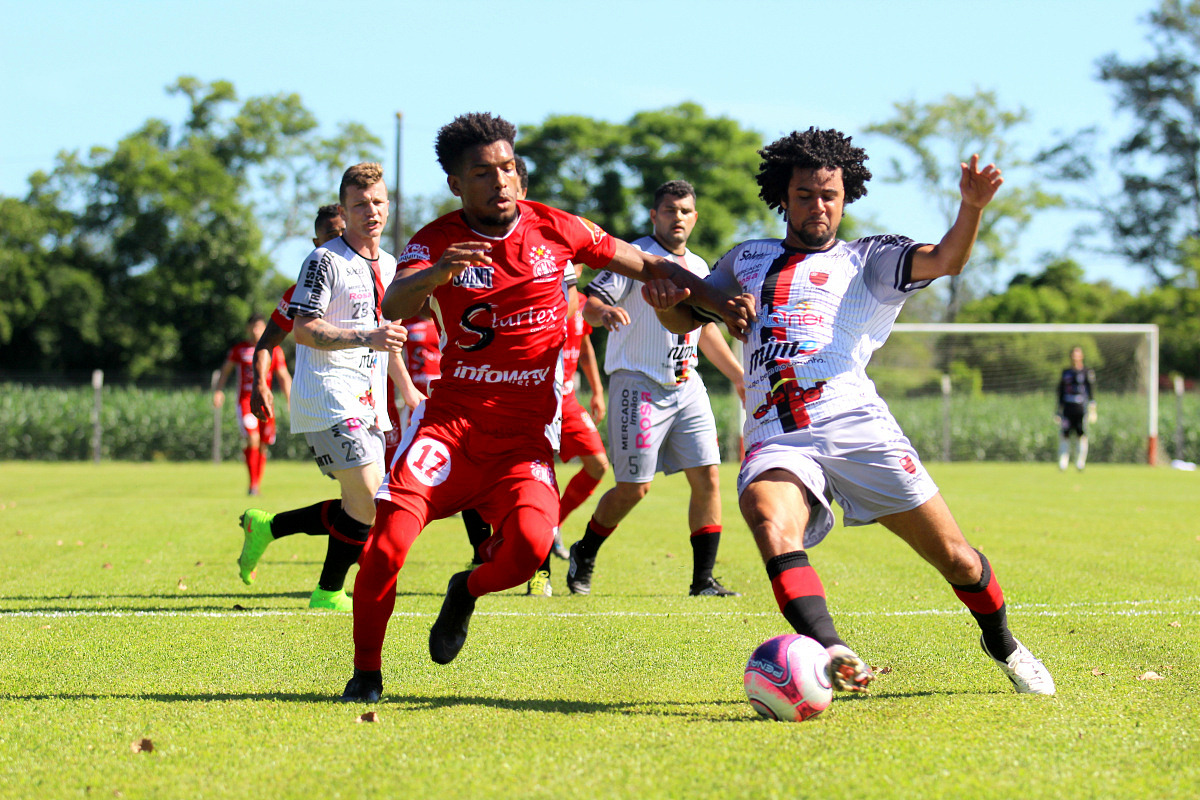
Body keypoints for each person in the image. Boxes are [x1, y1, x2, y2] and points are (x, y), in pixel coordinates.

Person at [340, 113, 751, 702]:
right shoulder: (435, 240)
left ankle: (465, 590)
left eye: (507, 167)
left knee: (531, 550)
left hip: (524, 440)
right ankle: (366, 675)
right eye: (482, 172)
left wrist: (719, 301)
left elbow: (651, 265)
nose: (500, 181)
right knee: (386, 547)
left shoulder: (559, 228)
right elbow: (396, 303)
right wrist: (437, 274)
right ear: (456, 183)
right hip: (451, 429)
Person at [648, 127, 1055, 695]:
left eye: (829, 195)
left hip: (857, 426)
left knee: (959, 560)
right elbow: (689, 315)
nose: (818, 206)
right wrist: (665, 305)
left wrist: (971, 208)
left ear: (845, 198)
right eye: (804, 195)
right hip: (776, 435)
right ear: (783, 197)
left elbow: (947, 259)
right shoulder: (745, 259)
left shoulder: (869, 259)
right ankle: (831, 648)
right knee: (767, 518)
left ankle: (1003, 643)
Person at [238, 164, 423, 611]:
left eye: (377, 202)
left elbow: (389, 341)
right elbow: (303, 329)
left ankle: (270, 529)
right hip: (328, 395)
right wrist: (366, 336)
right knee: (371, 498)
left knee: (363, 503)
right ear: (345, 209)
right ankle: (327, 592)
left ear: (388, 206)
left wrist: (409, 392)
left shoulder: (393, 266)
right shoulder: (324, 260)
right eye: (360, 204)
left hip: (369, 401)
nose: (371, 211)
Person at [567, 180, 745, 598]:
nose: (677, 217)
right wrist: (604, 312)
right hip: (638, 383)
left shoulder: (699, 266)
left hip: (686, 384)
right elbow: (588, 302)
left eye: (684, 211)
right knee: (634, 488)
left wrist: (738, 375)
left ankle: (703, 581)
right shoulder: (634, 257)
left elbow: (703, 331)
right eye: (669, 210)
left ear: (694, 217)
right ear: (654, 215)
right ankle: (585, 550)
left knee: (708, 477)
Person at [213, 313, 290, 495]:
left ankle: (257, 484)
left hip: (266, 403)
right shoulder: (240, 350)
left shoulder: (275, 350)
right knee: (252, 438)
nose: (256, 331)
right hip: (246, 402)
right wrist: (218, 390)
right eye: (253, 327)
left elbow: (283, 376)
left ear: (265, 328)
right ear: (248, 329)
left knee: (263, 444)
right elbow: (225, 370)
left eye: (260, 327)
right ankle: (253, 485)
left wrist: (290, 399)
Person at [1056, 346, 1096, 471]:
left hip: (1081, 407)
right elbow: (1060, 391)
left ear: (1082, 356)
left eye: (1077, 355)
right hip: (1068, 407)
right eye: (1073, 355)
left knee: (1081, 434)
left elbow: (1091, 391)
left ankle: (1080, 462)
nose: (1075, 357)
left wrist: (1092, 409)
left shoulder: (1087, 372)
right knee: (1065, 434)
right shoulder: (1066, 372)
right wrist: (1058, 410)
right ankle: (1063, 462)